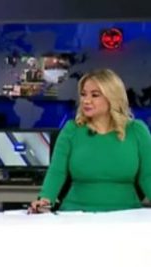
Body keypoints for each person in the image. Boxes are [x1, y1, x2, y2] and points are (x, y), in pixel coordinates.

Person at [29, 68, 151, 213]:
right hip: (76, 214)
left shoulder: (136, 131)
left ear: (112, 97)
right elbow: (57, 172)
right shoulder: (72, 130)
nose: (86, 100)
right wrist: (45, 200)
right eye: (83, 94)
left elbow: (147, 176)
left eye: (95, 95)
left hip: (127, 214)